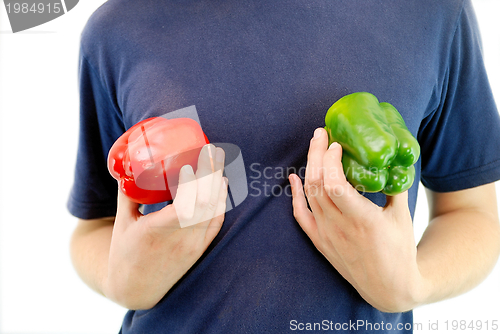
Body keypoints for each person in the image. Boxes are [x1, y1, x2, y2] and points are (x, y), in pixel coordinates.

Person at [67, 0, 500, 333]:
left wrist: (412, 285)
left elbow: (472, 212)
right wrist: (120, 282)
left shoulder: (432, 12)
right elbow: (95, 224)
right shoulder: (117, 28)